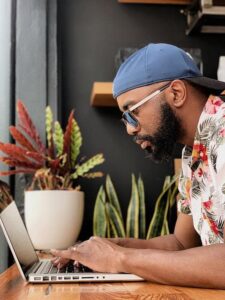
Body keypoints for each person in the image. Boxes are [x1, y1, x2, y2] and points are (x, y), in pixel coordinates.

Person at [51, 43, 225, 289]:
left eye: (132, 111)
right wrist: (115, 246)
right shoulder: (192, 153)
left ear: (176, 93)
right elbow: (181, 243)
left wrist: (120, 259)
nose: (130, 128)